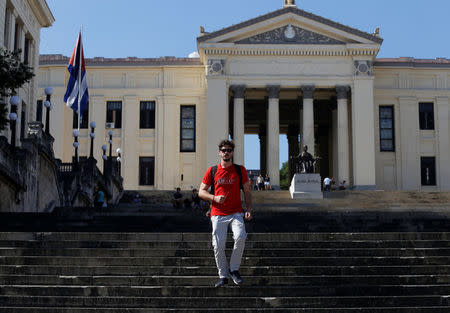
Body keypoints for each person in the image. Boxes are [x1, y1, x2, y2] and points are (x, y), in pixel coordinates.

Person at [199, 139, 252, 288]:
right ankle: (223, 275)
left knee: (241, 236)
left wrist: (248, 209)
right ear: (219, 152)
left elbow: (247, 191)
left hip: (236, 212)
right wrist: (214, 198)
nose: (226, 153)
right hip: (217, 213)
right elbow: (201, 191)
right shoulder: (212, 171)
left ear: (232, 153)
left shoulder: (240, 170)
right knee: (218, 245)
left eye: (229, 150)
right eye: (224, 150)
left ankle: (234, 269)